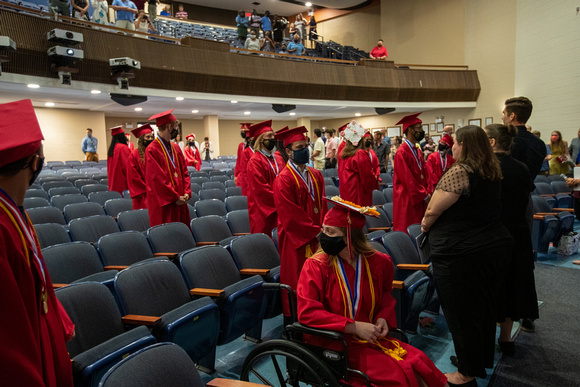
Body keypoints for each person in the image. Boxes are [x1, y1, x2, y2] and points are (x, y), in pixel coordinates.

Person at [297, 198, 447, 387]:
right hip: (336, 344)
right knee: (400, 376)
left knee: (421, 363)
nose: (323, 236)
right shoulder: (316, 266)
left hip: (371, 337)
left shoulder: (378, 262)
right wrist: (353, 327)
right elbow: (307, 312)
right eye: (323, 230)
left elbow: (385, 295)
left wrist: (383, 317)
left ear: (349, 237)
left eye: (330, 231)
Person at [421, 125, 513, 386]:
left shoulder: (461, 170)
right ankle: (478, 360)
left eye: (456, 142)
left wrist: (425, 226)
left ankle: (465, 373)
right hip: (491, 247)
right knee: (482, 310)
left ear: (464, 145)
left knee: (461, 314)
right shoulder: (491, 170)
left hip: (460, 253)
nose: (453, 147)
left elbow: (432, 210)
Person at [0, 99, 75, 387]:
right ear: (34, 161)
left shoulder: (14, 212)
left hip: (38, 332)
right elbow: (8, 337)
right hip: (24, 353)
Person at [485, 123, 539, 357]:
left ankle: (484, 346)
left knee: (489, 292)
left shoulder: (485, 168)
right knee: (511, 288)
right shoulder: (522, 168)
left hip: (492, 237)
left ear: (492, 142)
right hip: (517, 235)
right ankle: (506, 339)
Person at [502, 96, 545, 333]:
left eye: (503, 113)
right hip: (525, 203)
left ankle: (502, 313)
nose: (502, 116)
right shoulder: (538, 144)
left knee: (503, 259)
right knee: (523, 256)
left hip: (503, 204)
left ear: (512, 116)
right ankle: (527, 314)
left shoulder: (507, 141)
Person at [273, 126, 327, 317]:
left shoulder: (315, 175)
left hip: (318, 238)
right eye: (299, 147)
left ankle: (319, 319)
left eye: (306, 145)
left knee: (319, 281)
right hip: (297, 242)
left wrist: (325, 228)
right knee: (299, 281)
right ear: (288, 151)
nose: (305, 150)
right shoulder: (283, 180)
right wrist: (317, 232)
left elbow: (322, 206)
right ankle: (299, 322)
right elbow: (290, 217)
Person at [145, 109, 191, 227]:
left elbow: (184, 172)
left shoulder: (175, 147)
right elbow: (157, 179)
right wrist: (174, 197)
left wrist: (186, 192)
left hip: (180, 201)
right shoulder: (152, 150)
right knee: (168, 238)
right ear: (169, 127)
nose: (177, 130)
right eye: (176, 127)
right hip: (165, 204)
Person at [246, 120, 285, 235]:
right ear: (261, 140)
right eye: (269, 136)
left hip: (282, 208)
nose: (273, 138)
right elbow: (261, 191)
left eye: (273, 135)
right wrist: (284, 200)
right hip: (264, 212)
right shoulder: (255, 161)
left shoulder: (279, 159)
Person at [393, 113, 430, 233]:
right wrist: (423, 194)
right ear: (410, 129)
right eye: (419, 128)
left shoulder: (416, 150)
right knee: (409, 230)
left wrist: (427, 191)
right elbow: (407, 179)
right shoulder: (402, 152)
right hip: (408, 198)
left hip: (419, 197)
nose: (422, 131)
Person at [338, 121, 379, 207]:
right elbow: (367, 177)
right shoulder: (359, 154)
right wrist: (374, 177)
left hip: (347, 193)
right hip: (358, 194)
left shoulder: (344, 153)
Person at [128, 124, 154, 210]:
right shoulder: (134, 155)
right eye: (147, 137)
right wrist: (149, 188)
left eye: (151, 137)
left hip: (155, 193)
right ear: (141, 139)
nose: (150, 139)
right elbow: (134, 177)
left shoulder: (155, 153)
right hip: (143, 194)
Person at [107, 126, 131, 195]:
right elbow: (127, 167)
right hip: (122, 184)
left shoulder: (111, 149)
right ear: (121, 136)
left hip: (113, 183)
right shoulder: (122, 148)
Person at [234, 123, 251, 188]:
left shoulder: (254, 146)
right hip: (242, 173)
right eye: (242, 131)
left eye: (245, 131)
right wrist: (236, 174)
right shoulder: (241, 145)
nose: (243, 132)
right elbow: (239, 160)